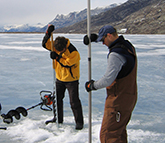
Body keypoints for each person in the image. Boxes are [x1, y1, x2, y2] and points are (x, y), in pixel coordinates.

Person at [85, 25, 137, 142]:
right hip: (129, 97)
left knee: (109, 135)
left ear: (109, 35)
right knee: (119, 133)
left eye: (103, 40)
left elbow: (108, 79)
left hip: (118, 100)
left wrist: (92, 85)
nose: (103, 44)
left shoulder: (116, 54)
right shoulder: (128, 47)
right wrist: (94, 38)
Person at [42, 25, 84, 130]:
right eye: (57, 50)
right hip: (59, 78)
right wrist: (48, 34)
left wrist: (56, 57)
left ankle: (79, 122)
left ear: (65, 46)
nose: (59, 52)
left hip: (71, 80)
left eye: (61, 50)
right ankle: (58, 118)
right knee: (57, 100)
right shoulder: (56, 46)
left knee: (74, 102)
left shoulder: (73, 51)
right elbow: (44, 44)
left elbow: (67, 63)